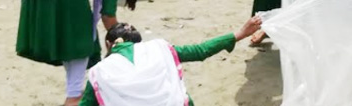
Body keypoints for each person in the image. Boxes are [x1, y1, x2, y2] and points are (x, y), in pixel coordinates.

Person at [16, 0, 145, 106]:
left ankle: (73, 90)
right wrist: (124, 47)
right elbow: (108, 17)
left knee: (69, 33)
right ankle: (74, 96)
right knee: (81, 35)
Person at [79, 16, 262, 106]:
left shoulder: (100, 72)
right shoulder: (159, 48)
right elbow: (201, 51)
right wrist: (240, 33)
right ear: (138, 42)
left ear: (109, 44)